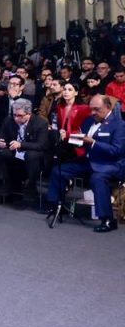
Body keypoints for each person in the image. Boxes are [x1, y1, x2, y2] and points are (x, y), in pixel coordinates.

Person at [45, 95, 125, 232]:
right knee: (59, 169)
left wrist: (93, 142)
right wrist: (71, 138)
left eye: (97, 109)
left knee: (97, 178)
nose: (93, 112)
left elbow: (116, 150)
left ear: (108, 107)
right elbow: (81, 139)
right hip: (88, 161)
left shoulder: (119, 124)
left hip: (111, 164)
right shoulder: (88, 120)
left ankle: (107, 219)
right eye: (91, 109)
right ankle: (55, 206)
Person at [0, 98, 53, 200]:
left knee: (31, 155)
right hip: (14, 151)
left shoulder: (40, 123)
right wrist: (0, 143)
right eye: (14, 115)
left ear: (29, 114)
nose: (16, 118)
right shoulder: (8, 120)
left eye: (19, 115)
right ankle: (7, 182)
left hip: (34, 153)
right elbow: (2, 137)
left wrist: (21, 144)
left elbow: (41, 145)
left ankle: (31, 186)